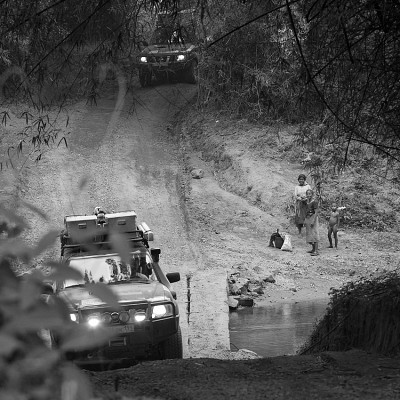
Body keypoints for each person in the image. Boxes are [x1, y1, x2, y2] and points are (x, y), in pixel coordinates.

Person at [304, 188, 319, 256]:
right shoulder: (307, 202)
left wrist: (313, 220)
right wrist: (305, 220)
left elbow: (316, 211)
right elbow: (306, 211)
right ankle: (313, 249)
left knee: (314, 233)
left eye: (310, 194)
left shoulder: (314, 201)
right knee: (310, 233)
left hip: (313, 217)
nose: (308, 195)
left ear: (312, 194)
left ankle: (316, 250)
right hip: (308, 218)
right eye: (307, 194)